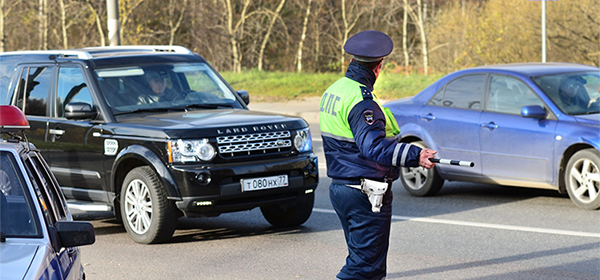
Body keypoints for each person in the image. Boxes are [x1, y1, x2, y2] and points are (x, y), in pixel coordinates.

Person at [318, 30, 437, 280]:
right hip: (365, 191)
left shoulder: (335, 90)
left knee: (362, 262)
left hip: (342, 187)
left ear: (351, 61)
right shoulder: (363, 101)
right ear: (379, 67)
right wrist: (416, 155)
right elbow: (374, 147)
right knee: (364, 269)